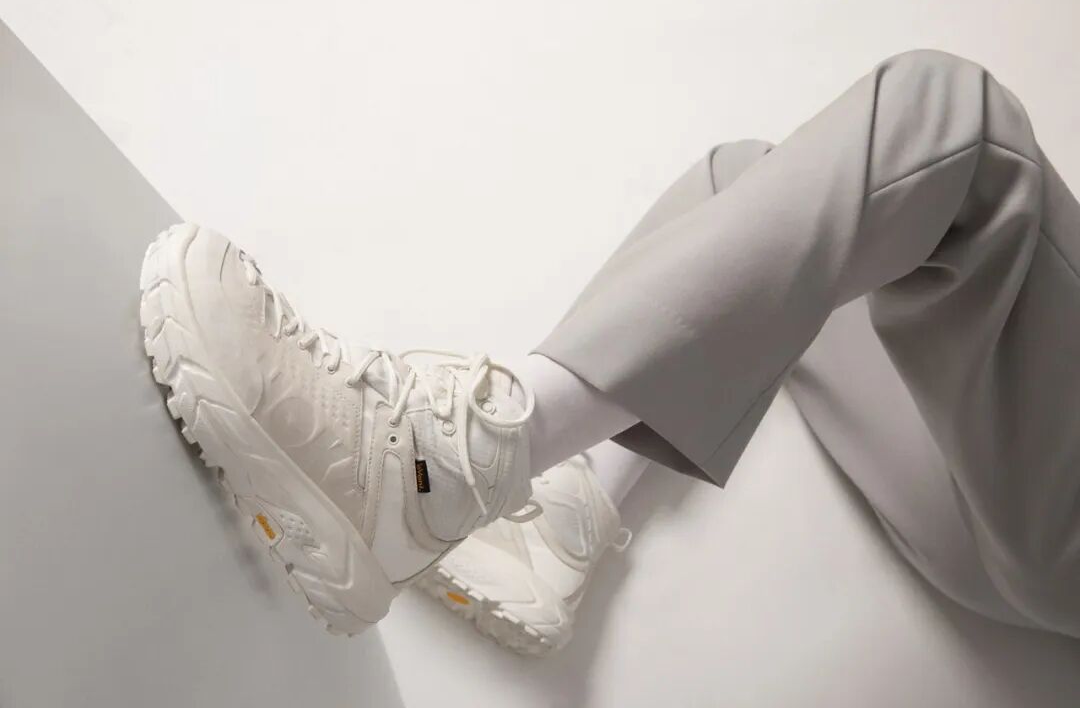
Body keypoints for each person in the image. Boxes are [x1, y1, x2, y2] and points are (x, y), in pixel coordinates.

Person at [138, 48, 1080, 648]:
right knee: (749, 184)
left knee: (953, 121)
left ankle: (437, 469)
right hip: (1003, 524)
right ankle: (557, 516)